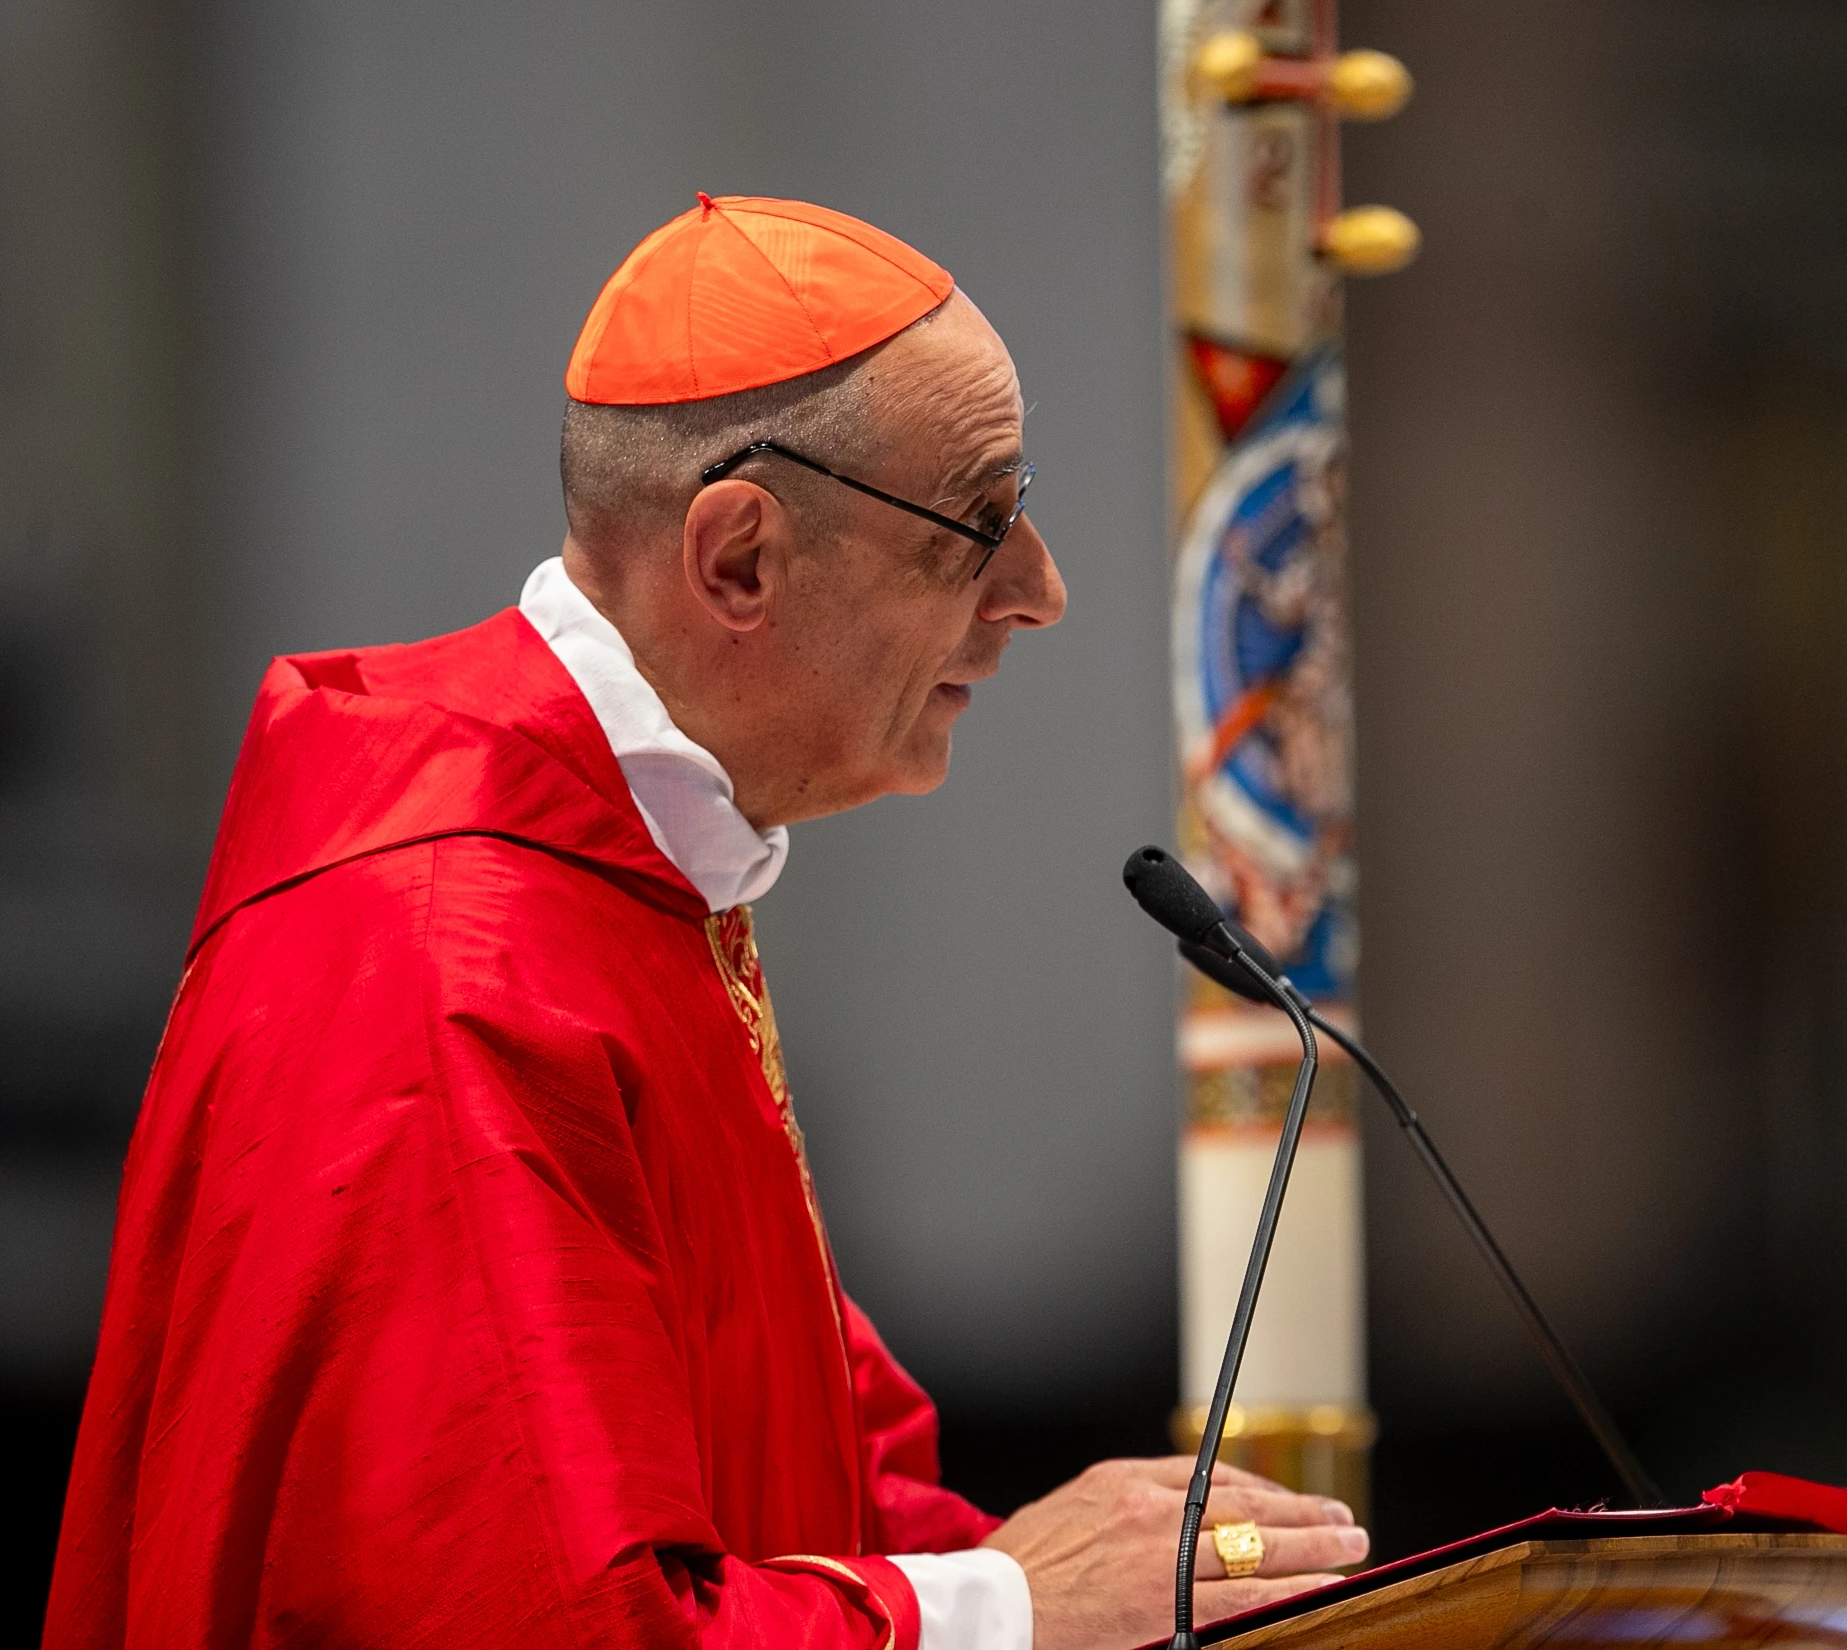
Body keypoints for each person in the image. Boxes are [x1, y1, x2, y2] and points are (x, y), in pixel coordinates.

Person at [43, 196, 1367, 1650]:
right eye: (979, 522)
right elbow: (532, 1621)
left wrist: (1125, 1597)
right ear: (739, 558)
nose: (1037, 592)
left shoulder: (620, 879)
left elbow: (812, 1483)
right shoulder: (446, 958)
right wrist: (1012, 1604)